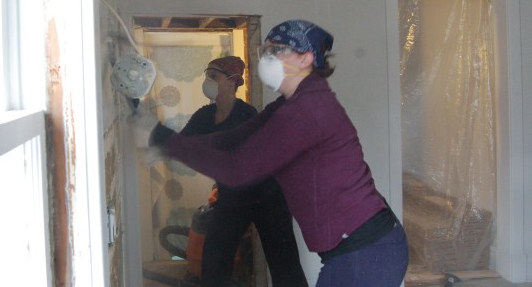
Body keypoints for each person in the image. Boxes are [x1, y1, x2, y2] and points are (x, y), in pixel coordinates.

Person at [148, 20, 409, 287]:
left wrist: (162, 139)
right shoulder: (288, 105)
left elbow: (236, 169)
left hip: (366, 251)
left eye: (278, 50)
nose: (267, 58)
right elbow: (234, 137)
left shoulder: (307, 110)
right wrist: (166, 142)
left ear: (307, 58)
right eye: (265, 50)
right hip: (359, 248)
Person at [181, 55, 308, 287]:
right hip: (232, 198)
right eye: (207, 75)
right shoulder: (204, 116)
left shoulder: (247, 116)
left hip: (268, 197)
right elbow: (181, 145)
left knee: (285, 266)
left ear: (232, 81)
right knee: (214, 263)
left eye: (214, 76)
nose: (208, 81)